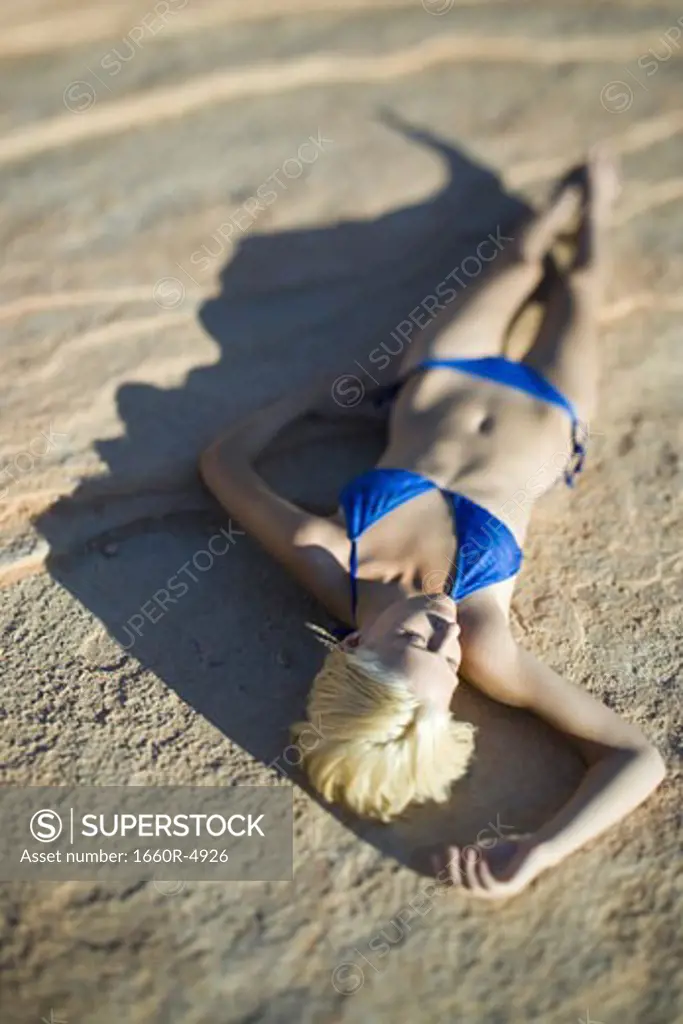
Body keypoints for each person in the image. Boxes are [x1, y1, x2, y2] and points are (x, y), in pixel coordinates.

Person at [199, 150, 665, 899]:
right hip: (552, 405)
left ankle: (556, 200)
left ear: (356, 643)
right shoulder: (485, 642)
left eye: (422, 642)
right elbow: (634, 758)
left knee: (519, 254)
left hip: (445, 369)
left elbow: (223, 466)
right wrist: (537, 854)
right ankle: (600, 203)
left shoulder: (328, 555)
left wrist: (311, 397)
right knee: (579, 283)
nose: (449, 634)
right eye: (449, 669)